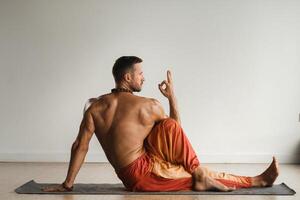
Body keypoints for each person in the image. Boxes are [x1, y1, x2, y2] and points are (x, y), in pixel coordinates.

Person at [43, 56, 279, 192]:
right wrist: (172, 97)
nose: (143, 77)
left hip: (134, 169)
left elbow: (79, 146)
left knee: (171, 136)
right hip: (143, 175)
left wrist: (68, 184)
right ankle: (257, 181)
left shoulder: (94, 107)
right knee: (202, 174)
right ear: (127, 78)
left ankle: (198, 172)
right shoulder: (148, 105)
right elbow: (177, 130)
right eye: (140, 74)